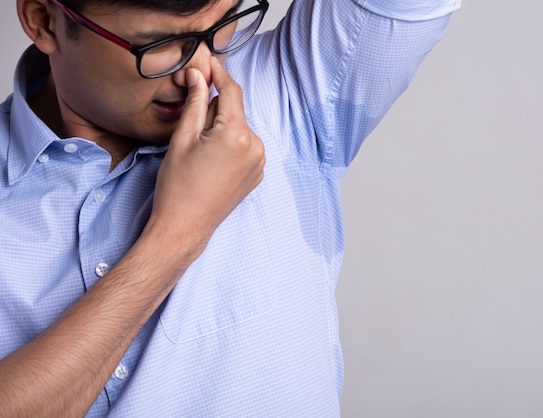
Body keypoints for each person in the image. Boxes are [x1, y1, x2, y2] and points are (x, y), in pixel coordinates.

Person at [0, 0, 460, 416]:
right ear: (43, 21)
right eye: (159, 44)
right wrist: (177, 234)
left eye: (223, 25)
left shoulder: (289, 90)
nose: (200, 71)